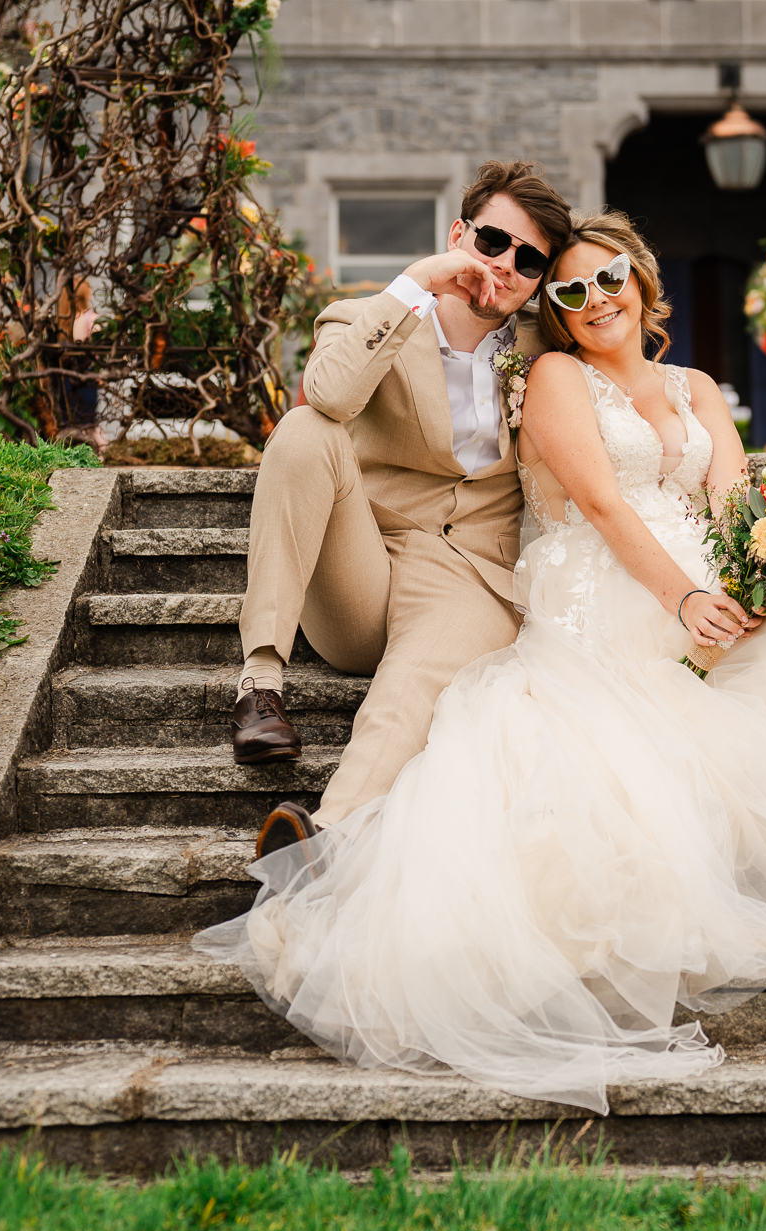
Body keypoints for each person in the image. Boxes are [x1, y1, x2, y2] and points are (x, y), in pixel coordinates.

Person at [195, 213, 766, 1114]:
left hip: (615, 567)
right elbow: (601, 504)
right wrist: (689, 598)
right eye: (567, 289)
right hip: (551, 579)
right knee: (312, 439)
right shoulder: (538, 367)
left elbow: (730, 498)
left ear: (640, 281)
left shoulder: (683, 381)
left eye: (595, 276)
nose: (586, 297)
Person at [228, 161, 573, 859]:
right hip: (362, 573)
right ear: (460, 234)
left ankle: (323, 837)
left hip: (471, 577)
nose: (505, 266)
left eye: (529, 260)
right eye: (494, 243)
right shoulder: (370, 316)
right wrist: (417, 281)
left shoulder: (549, 350)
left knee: (414, 684)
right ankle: (260, 682)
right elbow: (325, 395)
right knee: (303, 430)